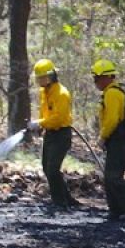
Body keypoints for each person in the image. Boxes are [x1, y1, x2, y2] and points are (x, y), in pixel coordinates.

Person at [92, 59, 125, 221]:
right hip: (116, 139)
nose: (96, 82)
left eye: (97, 78)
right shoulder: (111, 92)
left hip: (119, 140)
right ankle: (115, 209)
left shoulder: (113, 93)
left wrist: (103, 137)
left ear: (106, 77)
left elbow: (112, 120)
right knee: (109, 176)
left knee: (114, 176)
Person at [27, 58, 77, 209]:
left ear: (51, 76)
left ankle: (60, 203)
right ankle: (67, 199)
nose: (40, 80)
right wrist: (40, 126)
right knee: (46, 167)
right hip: (50, 134)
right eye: (38, 78)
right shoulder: (44, 92)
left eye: (42, 77)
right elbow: (45, 112)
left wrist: (40, 123)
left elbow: (59, 118)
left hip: (61, 134)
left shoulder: (61, 93)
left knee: (53, 169)